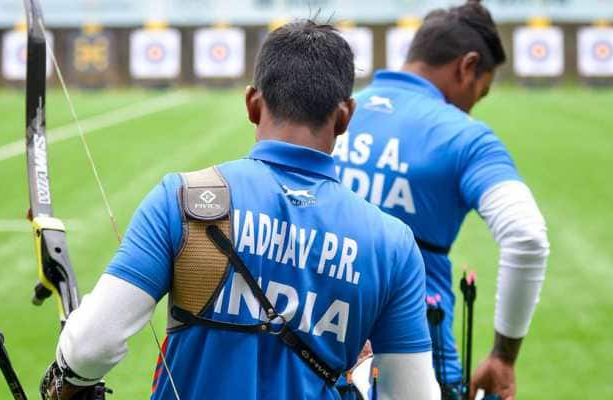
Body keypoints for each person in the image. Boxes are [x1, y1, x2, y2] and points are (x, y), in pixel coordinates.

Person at [40, 20, 440, 400]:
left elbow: (91, 347)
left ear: (252, 104)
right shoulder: (393, 243)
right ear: (345, 117)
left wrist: (65, 377)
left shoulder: (183, 198)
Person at [332, 1, 550, 399]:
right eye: (478, 93)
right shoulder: (466, 137)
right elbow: (527, 236)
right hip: (416, 367)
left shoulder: (335, 111)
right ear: (467, 66)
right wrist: (503, 357)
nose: (471, 106)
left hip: (316, 356)